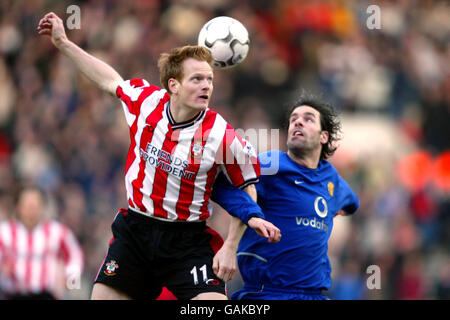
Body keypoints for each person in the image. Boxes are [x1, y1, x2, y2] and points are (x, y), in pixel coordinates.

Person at [37, 12, 280, 300]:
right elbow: (108, 80)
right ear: (173, 85)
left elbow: (247, 188)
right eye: (197, 79)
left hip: (188, 242)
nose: (206, 86)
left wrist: (230, 246)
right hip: (136, 234)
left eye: (210, 79)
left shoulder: (222, 134)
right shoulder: (146, 102)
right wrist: (63, 43)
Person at [212, 93, 360, 300]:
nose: (297, 121)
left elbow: (352, 203)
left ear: (323, 136)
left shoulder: (332, 179)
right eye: (293, 119)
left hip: (315, 295)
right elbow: (222, 185)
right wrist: (232, 243)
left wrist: (329, 214)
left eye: (308, 119)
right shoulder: (271, 164)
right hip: (267, 293)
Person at [0, 186, 84, 300]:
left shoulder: (57, 232)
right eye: (27, 206)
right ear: (18, 207)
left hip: (46, 295)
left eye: (34, 206)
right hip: (12, 294)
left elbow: (75, 254)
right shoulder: (5, 232)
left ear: (42, 207)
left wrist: (71, 282)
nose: (31, 211)